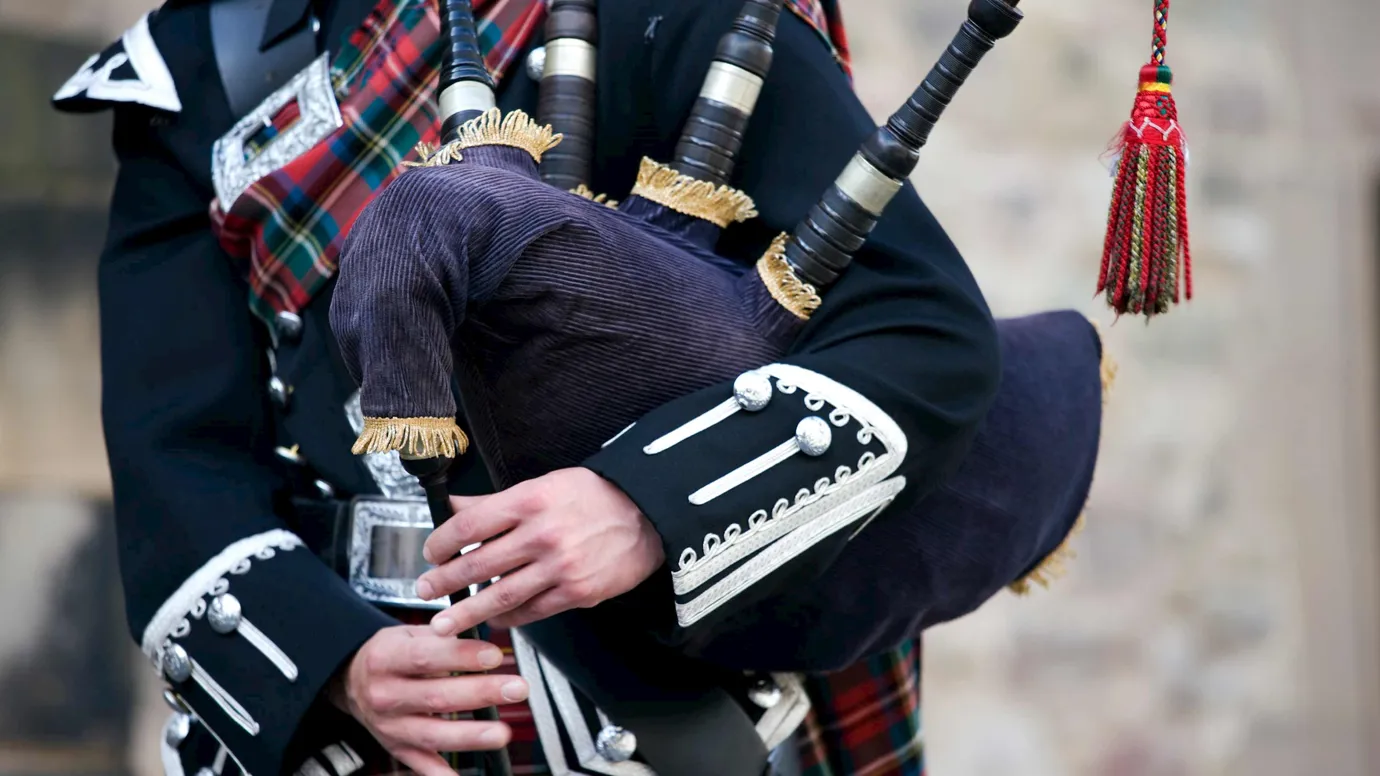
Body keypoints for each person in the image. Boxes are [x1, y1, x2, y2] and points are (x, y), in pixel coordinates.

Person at [54, 0, 1096, 774]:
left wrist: (645, 504)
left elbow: (921, 332)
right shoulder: (208, 63)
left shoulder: (680, 14)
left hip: (687, 701)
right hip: (356, 730)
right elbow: (174, 449)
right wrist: (331, 660)